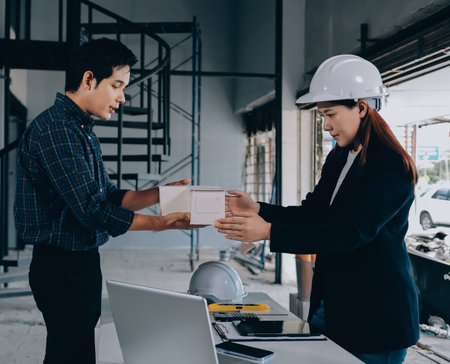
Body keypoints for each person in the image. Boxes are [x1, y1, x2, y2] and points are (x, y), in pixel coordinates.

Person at [215, 54, 419, 364]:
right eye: (322, 116)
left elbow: (349, 233)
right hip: (334, 304)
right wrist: (258, 208)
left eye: (331, 114)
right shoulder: (340, 158)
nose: (326, 126)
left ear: (362, 107)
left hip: (376, 314)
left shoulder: (391, 167)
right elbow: (314, 214)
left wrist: (269, 231)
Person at [14, 38, 199, 364]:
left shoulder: (80, 128)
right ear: (88, 80)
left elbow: (108, 196)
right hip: (60, 266)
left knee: (78, 350)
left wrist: (161, 194)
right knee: (70, 354)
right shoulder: (57, 130)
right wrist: (161, 223)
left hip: (80, 261)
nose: (122, 97)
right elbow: (91, 210)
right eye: (117, 85)